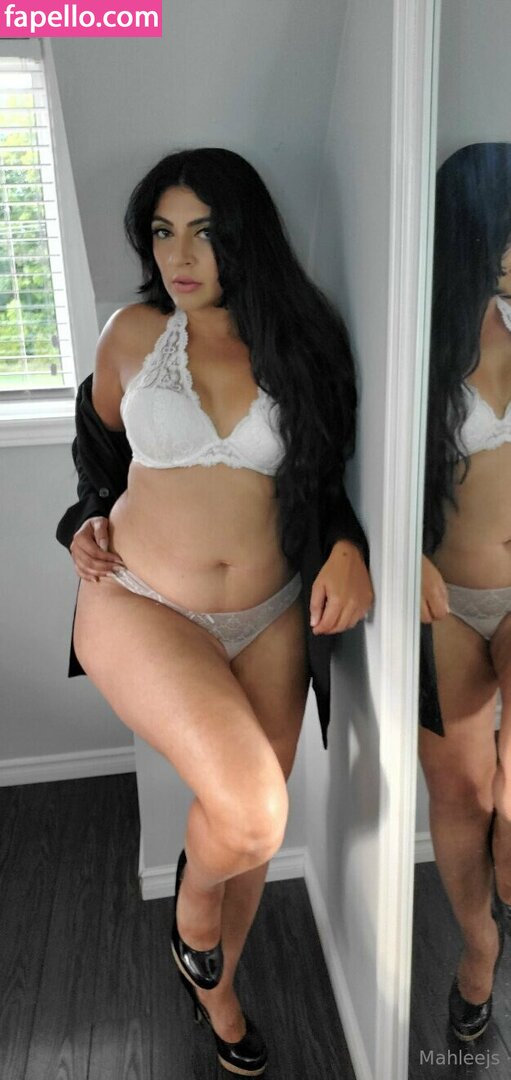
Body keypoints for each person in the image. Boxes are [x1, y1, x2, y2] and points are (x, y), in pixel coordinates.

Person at [56, 147, 373, 1075]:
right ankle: (190, 924)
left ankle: (219, 995)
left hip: (270, 613)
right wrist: (82, 520)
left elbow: (325, 481)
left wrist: (347, 546)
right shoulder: (131, 334)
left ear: (246, 238)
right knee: (250, 809)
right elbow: (97, 456)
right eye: (162, 233)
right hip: (140, 600)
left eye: (203, 233)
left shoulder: (307, 342)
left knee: (250, 833)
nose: (178, 256)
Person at [420, 143, 511, 1042]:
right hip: (442, 598)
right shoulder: (417, 335)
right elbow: (358, 460)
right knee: (461, 797)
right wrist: (400, 550)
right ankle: (478, 954)